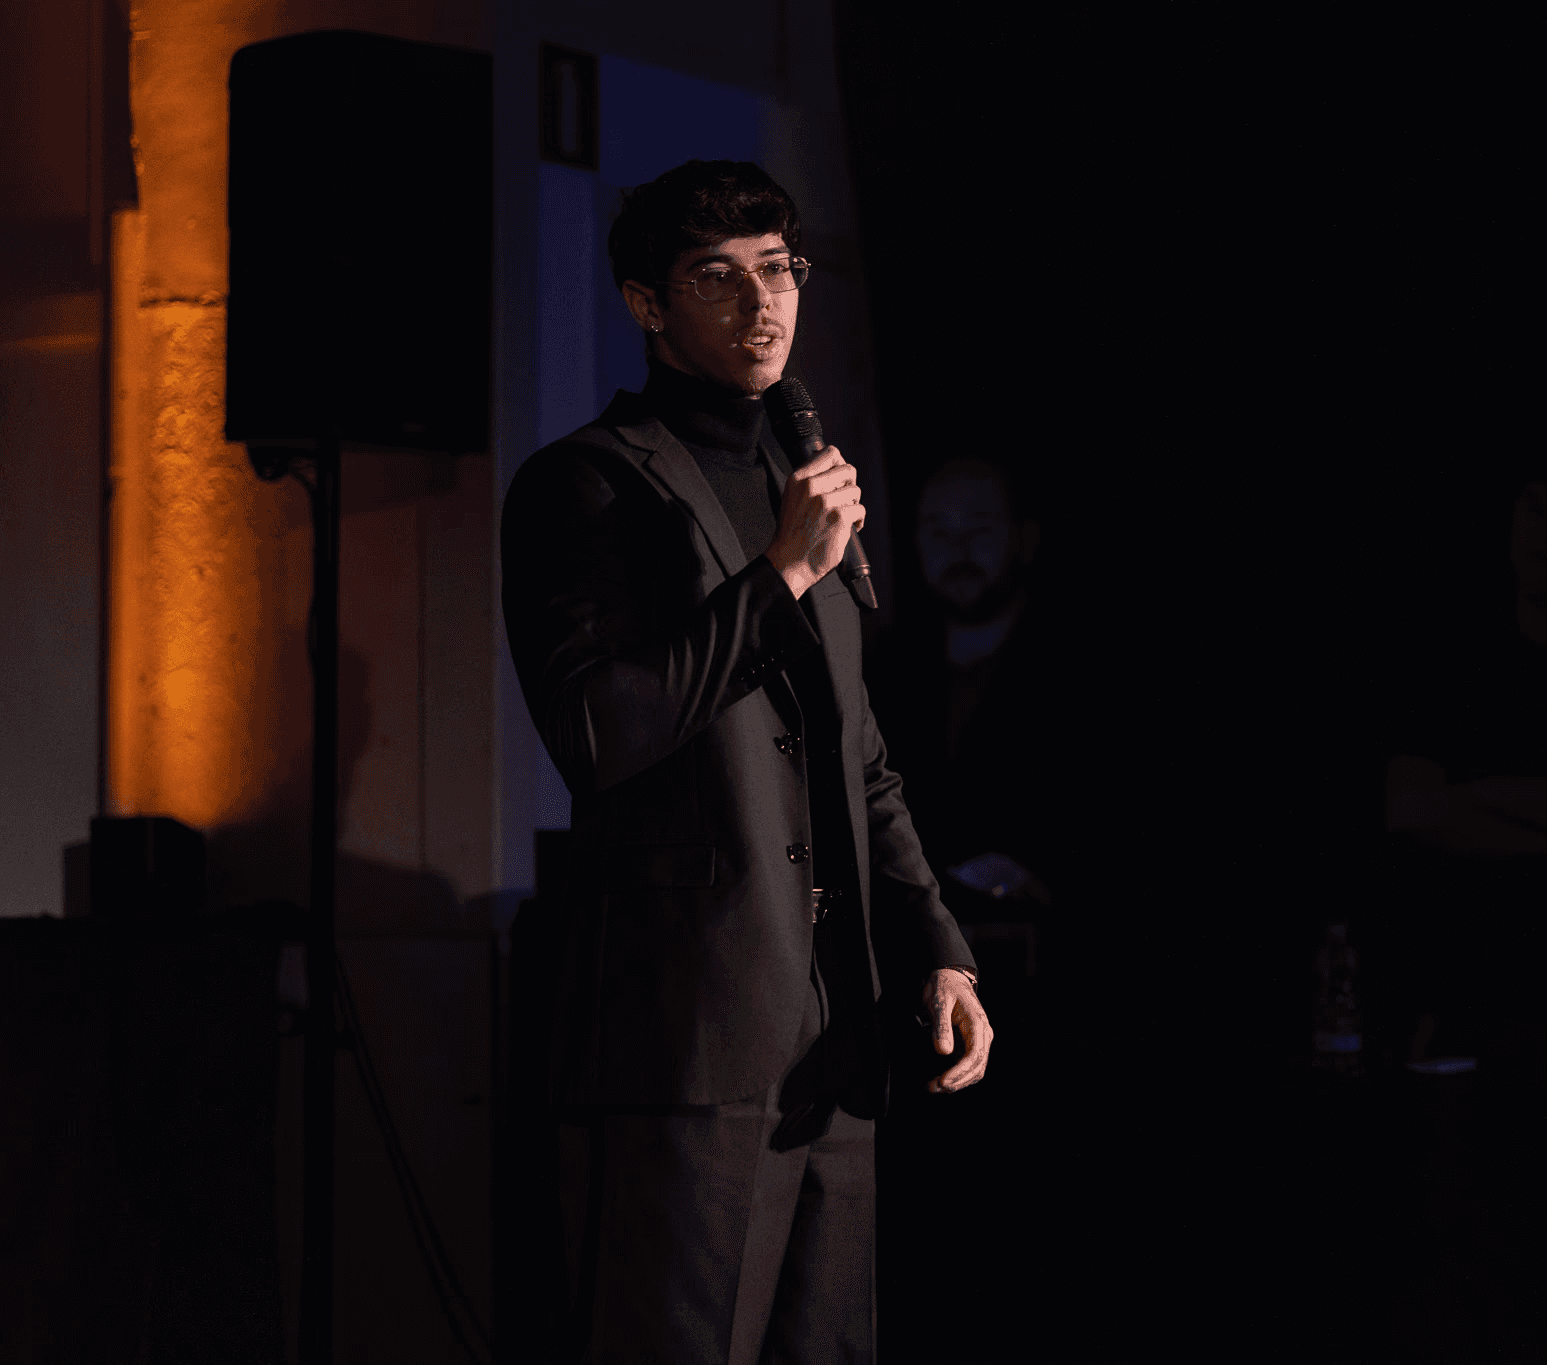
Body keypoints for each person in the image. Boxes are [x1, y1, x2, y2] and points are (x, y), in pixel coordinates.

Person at [499, 160, 991, 1364]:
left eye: (775, 271)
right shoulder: (585, 484)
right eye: (715, 280)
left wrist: (933, 947)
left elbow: (857, 753)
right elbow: (598, 734)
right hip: (685, 1045)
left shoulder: (796, 486)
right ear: (646, 305)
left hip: (835, 1039)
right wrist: (776, 575)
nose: (758, 305)